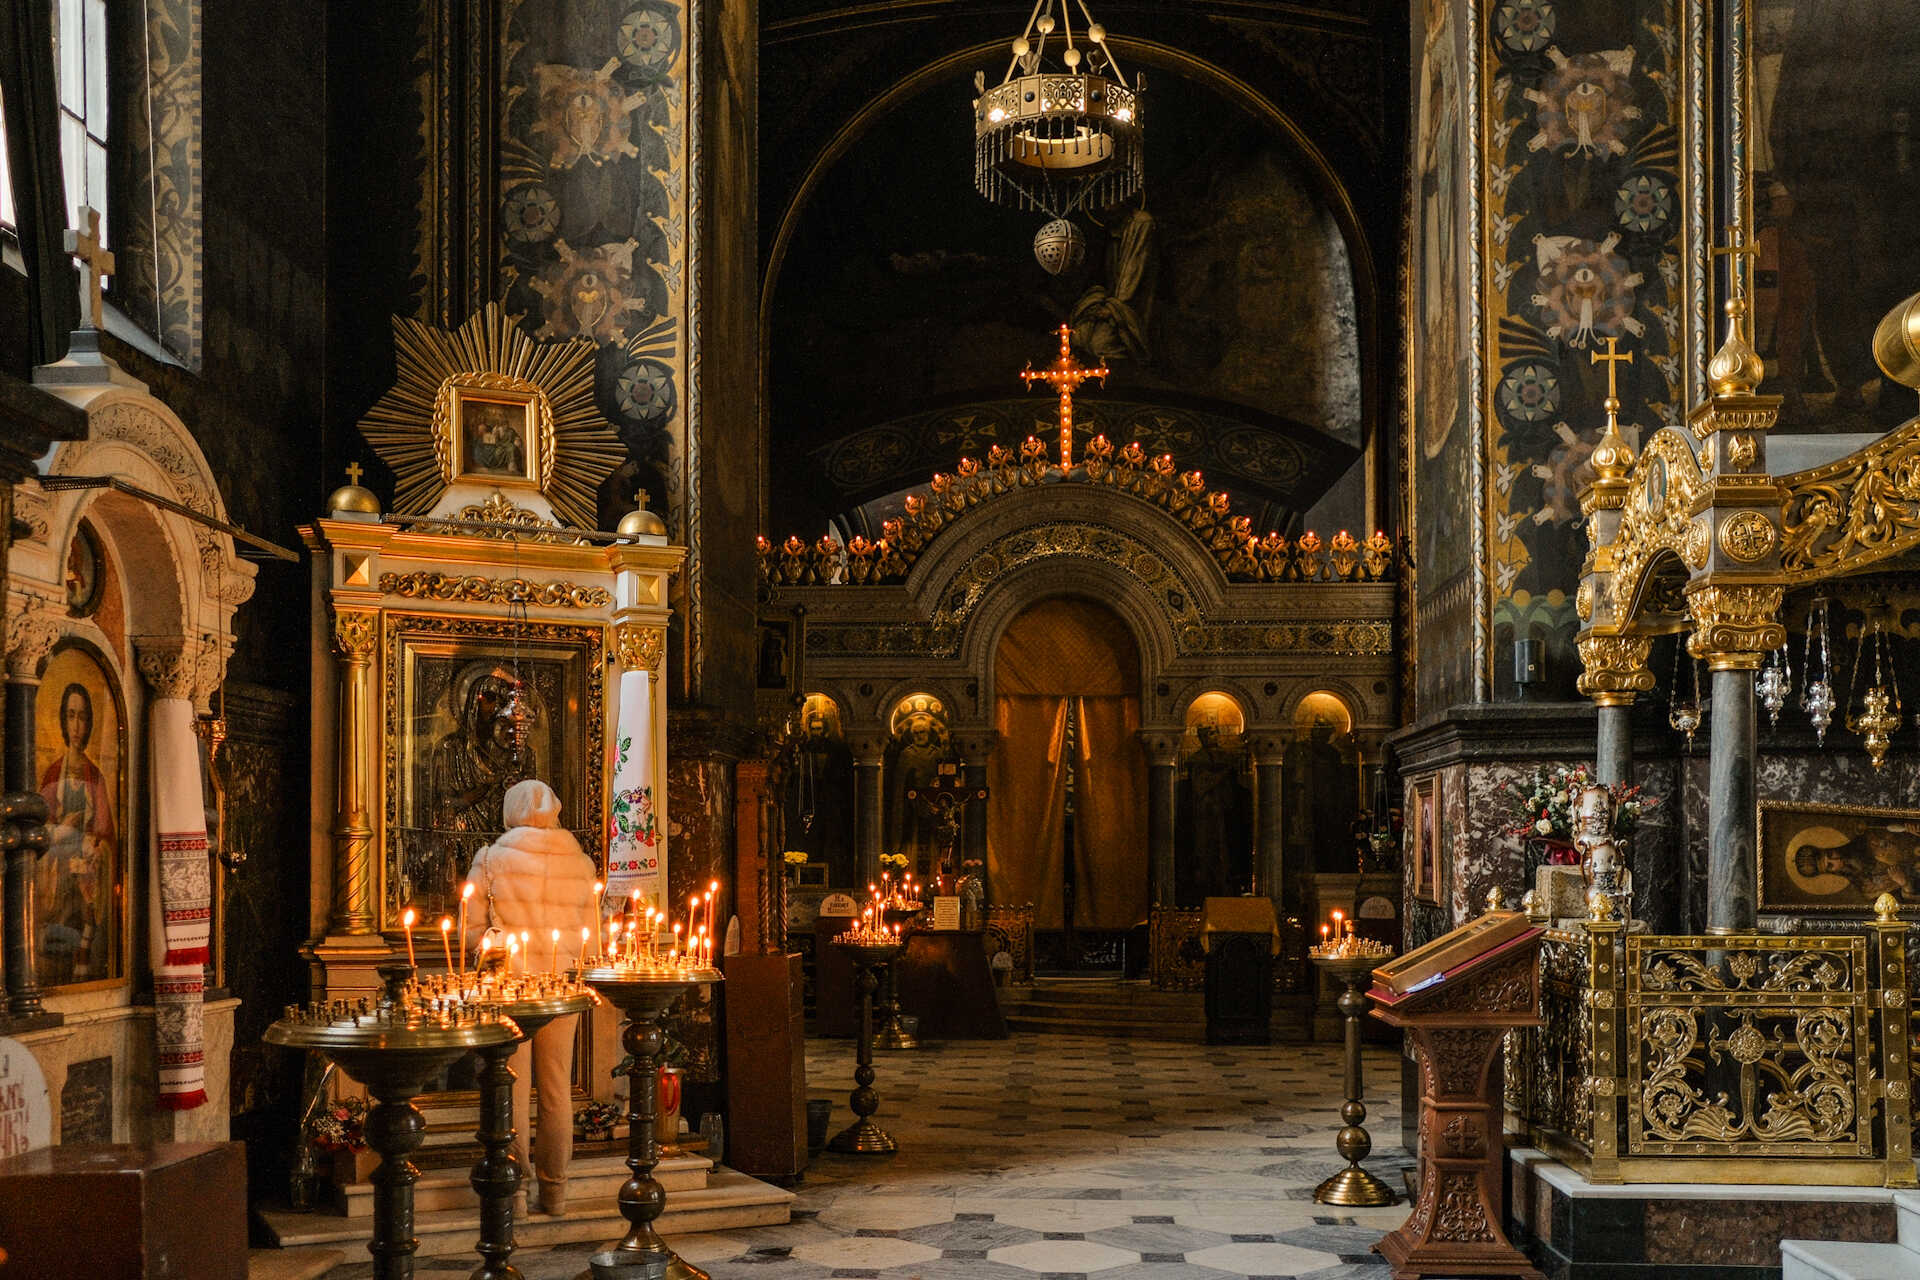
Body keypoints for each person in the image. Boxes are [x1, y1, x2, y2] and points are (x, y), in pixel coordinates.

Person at [462, 779, 597, 1214]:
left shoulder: (491, 860)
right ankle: (555, 1192)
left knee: (510, 1088)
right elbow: (591, 941)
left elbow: (471, 933)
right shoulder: (580, 864)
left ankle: (513, 1195)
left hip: (509, 988)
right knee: (557, 1087)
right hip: (562, 988)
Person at [37, 682, 116, 983]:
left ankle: (83, 965)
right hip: (57, 868)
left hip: (84, 867)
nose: (76, 725)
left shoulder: (95, 776)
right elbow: (36, 830)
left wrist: (94, 845)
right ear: (62, 719)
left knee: (85, 917)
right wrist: (61, 830)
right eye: (71, 715)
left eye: (82, 717)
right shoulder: (53, 773)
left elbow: (107, 834)